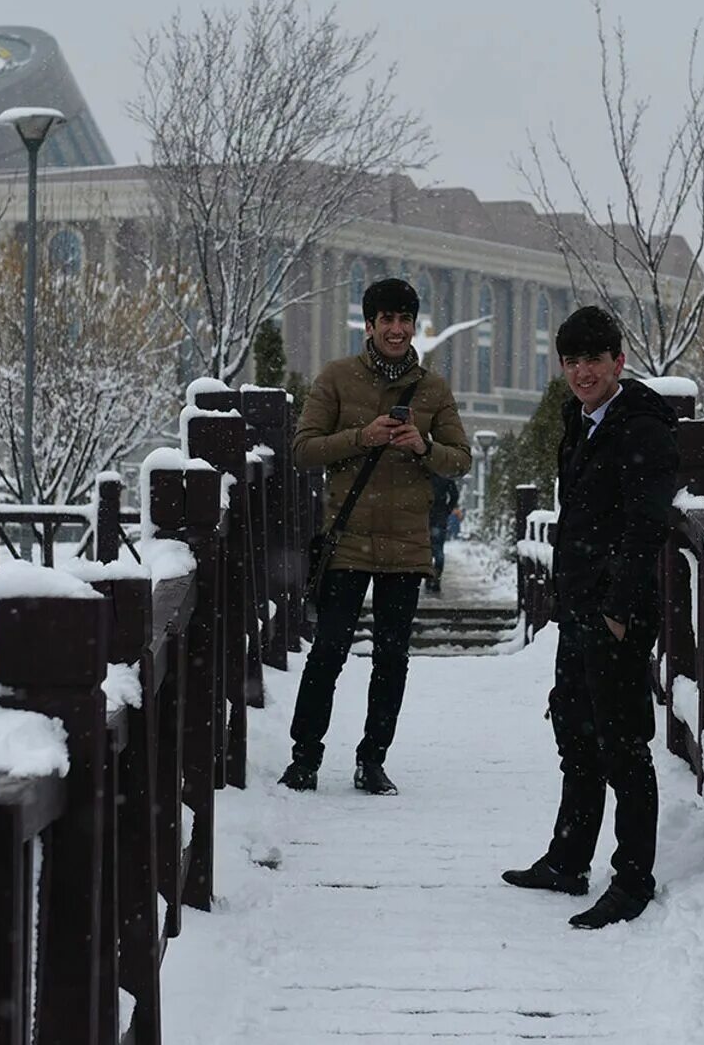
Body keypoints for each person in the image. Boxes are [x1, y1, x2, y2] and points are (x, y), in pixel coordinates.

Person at [501, 304, 679, 929]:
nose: (581, 373)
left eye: (593, 361)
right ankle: (569, 859)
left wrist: (619, 612)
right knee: (574, 733)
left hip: (615, 614)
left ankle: (632, 880)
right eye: (571, 362)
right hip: (579, 607)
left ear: (617, 362)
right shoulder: (580, 419)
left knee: (623, 744)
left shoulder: (643, 426)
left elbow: (645, 524)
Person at [283, 278, 472, 795]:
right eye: (385, 319)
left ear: (415, 326)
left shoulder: (433, 389)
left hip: (407, 547)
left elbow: (461, 460)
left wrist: (423, 446)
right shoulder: (338, 378)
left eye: (404, 320)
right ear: (368, 325)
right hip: (347, 540)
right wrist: (361, 437)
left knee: (392, 658)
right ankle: (305, 757)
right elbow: (302, 449)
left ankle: (373, 759)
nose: (396, 329)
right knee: (329, 651)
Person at [427, 473, 461, 594]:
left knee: (426, 549)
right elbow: (454, 495)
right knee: (438, 550)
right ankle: (436, 579)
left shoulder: (425, 472)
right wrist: (447, 509)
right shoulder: (444, 474)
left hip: (424, 516)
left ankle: (428, 576)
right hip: (440, 517)